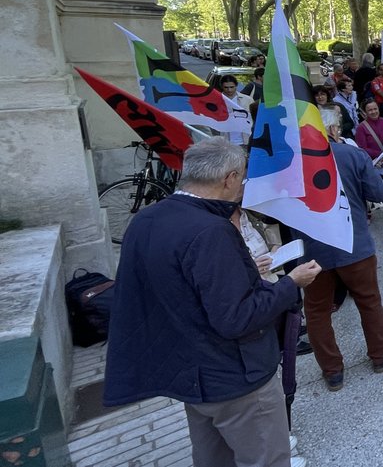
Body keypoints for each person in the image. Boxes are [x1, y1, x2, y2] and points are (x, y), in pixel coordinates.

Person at [103, 138, 322, 467]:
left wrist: (247, 272)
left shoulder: (146, 220)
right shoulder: (211, 231)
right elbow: (237, 318)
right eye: (243, 177)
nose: (243, 186)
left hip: (191, 376)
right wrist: (292, 283)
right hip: (236, 379)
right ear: (229, 178)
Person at [303, 108, 383, 391]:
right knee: (368, 300)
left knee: (317, 312)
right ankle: (379, 356)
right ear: (331, 129)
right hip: (354, 245)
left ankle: (333, 372)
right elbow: (378, 193)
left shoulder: (290, 163)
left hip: (313, 251)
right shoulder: (352, 155)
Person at [218, 74, 254, 146]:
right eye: (226, 87)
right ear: (222, 87)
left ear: (236, 86)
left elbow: (254, 118)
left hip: (245, 140)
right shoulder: (217, 101)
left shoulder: (247, 100)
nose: (229, 90)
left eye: (232, 87)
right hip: (225, 142)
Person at [353, 99, 383, 166]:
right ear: (365, 112)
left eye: (375, 109)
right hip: (375, 163)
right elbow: (362, 149)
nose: (373, 112)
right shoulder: (361, 128)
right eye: (370, 110)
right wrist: (380, 154)